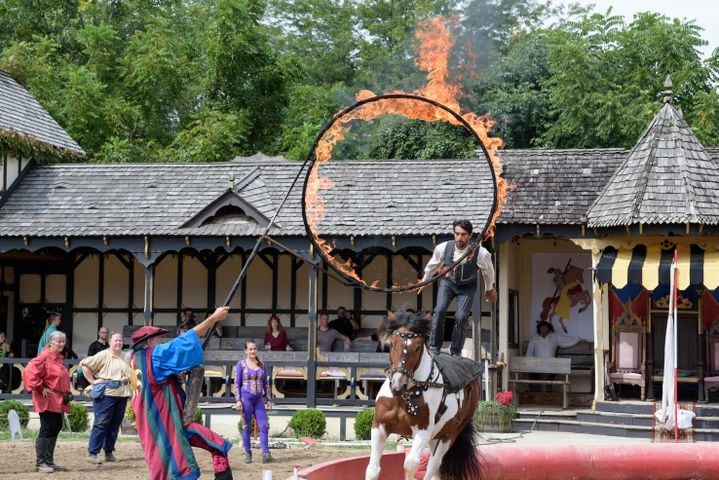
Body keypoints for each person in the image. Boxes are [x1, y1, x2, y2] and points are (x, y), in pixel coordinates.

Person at [130, 306, 233, 480]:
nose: (162, 342)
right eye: (159, 339)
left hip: (156, 424)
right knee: (174, 468)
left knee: (210, 442)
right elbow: (184, 342)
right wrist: (213, 319)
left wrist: (174, 376)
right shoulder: (154, 356)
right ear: (149, 343)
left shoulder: (135, 361)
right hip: (165, 424)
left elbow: (156, 383)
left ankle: (222, 470)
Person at [420, 220, 497, 357]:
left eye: (463, 234)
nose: (459, 238)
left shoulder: (481, 253)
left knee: (461, 317)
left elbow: (488, 271)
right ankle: (434, 347)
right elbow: (433, 265)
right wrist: (425, 281)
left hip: (467, 287)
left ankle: (455, 351)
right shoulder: (443, 248)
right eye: (457, 234)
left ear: (470, 235)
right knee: (440, 310)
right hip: (448, 283)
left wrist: (489, 287)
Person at [23, 330, 72, 473]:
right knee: (47, 427)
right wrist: (39, 386)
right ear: (50, 342)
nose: (62, 343)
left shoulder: (57, 358)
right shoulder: (44, 356)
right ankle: (41, 462)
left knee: (56, 426)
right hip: (48, 399)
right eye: (59, 341)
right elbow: (29, 371)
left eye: (63, 341)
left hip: (58, 399)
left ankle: (49, 461)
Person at [80, 332, 132, 464]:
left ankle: (109, 452)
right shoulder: (103, 355)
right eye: (116, 341)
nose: (118, 343)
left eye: (120, 340)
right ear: (110, 342)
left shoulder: (125, 357)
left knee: (114, 425)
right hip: (107, 394)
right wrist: (92, 381)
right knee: (101, 423)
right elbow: (85, 365)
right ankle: (93, 452)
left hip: (122, 394)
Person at [234, 340, 273, 464]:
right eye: (250, 349)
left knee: (264, 425)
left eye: (254, 349)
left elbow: (266, 383)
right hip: (246, 399)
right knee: (246, 426)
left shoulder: (261, 364)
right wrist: (238, 400)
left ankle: (266, 452)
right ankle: (248, 451)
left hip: (258, 399)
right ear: (245, 351)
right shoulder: (241, 364)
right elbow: (236, 384)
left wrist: (269, 399)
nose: (253, 351)